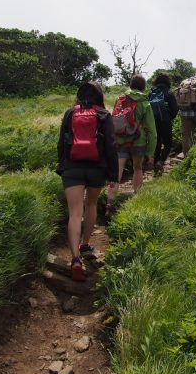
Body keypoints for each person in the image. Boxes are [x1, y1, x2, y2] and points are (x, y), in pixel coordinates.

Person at [57, 81, 118, 281]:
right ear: (99, 95)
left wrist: (63, 165)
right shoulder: (103, 114)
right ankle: (85, 245)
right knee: (90, 205)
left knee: (74, 213)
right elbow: (110, 146)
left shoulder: (70, 113)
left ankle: (75, 258)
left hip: (72, 167)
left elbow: (61, 143)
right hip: (97, 169)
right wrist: (113, 175)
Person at [105, 74, 157, 218]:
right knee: (137, 168)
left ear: (130, 85)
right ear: (143, 87)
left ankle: (110, 203)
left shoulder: (120, 99)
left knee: (117, 172)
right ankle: (136, 198)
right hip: (138, 141)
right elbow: (152, 131)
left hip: (120, 140)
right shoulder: (145, 103)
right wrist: (150, 153)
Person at [148, 72, 178, 173]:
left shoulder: (151, 93)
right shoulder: (169, 93)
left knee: (157, 144)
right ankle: (160, 162)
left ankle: (156, 168)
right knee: (168, 144)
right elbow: (175, 109)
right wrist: (169, 117)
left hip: (153, 122)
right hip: (165, 122)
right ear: (168, 81)